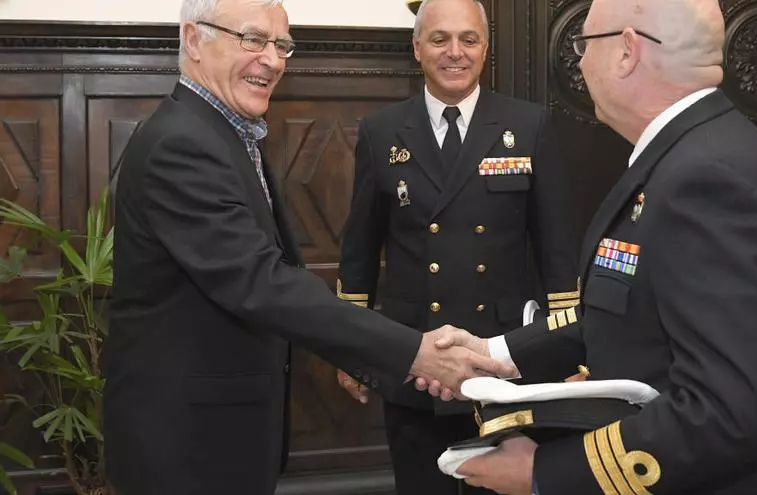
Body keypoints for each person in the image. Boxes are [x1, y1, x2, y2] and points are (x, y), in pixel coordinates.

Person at [102, 0, 514, 494]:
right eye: (253, 39)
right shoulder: (183, 144)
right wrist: (414, 352)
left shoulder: (225, 133)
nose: (272, 60)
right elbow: (263, 284)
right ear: (193, 40)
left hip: (216, 433)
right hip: (185, 443)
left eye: (281, 44)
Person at [425, 0, 757, 493]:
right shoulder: (688, 153)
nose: (579, 62)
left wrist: (542, 472)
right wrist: (495, 352)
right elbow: (624, 311)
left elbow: (723, 413)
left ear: (626, 51)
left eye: (584, 43)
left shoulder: (707, 179)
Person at [333, 0, 580, 493]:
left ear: (485, 48)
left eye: (469, 40)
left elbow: (556, 248)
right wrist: (351, 347)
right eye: (439, 39)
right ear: (416, 48)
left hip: (504, 357)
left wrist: (569, 348)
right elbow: (359, 249)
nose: (455, 52)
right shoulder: (382, 131)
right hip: (415, 355)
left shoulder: (527, 125)